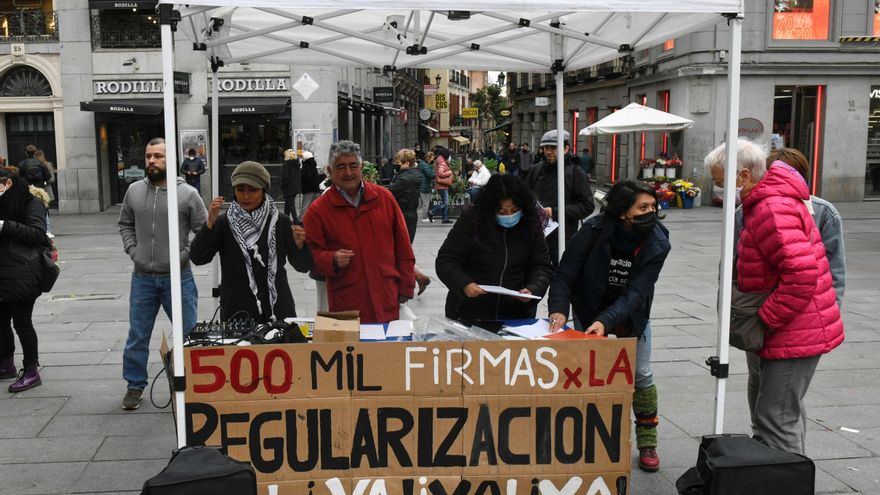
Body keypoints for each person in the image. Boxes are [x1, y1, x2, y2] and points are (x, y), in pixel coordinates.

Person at [704, 139, 844, 455]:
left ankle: (785, 478)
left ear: (742, 177)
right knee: (780, 416)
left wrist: (766, 318)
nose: (718, 189)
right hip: (795, 328)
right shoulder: (769, 201)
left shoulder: (770, 208)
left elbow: (802, 275)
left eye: (720, 182)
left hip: (793, 330)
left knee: (776, 420)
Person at [547, 179, 670, 473]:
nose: (650, 212)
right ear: (622, 210)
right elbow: (565, 274)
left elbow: (637, 292)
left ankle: (647, 440)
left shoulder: (658, 241)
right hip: (589, 307)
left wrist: (607, 321)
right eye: (642, 207)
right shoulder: (593, 230)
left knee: (640, 373)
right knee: (588, 375)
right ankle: (587, 440)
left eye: (653, 206)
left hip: (631, 314)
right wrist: (559, 311)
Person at [117, 137, 207, 410]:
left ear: (170, 160)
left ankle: (188, 382)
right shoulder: (133, 191)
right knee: (138, 334)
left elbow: (203, 232)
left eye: (158, 156)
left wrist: (183, 255)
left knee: (188, 333)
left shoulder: (187, 194)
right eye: (148, 156)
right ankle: (134, 385)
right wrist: (133, 251)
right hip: (142, 276)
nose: (152, 161)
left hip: (178, 277)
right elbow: (125, 224)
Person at [303, 140, 415, 323]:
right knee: (351, 350)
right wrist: (331, 259)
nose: (348, 173)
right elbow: (310, 256)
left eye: (353, 166)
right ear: (329, 171)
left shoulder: (384, 198)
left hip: (386, 294)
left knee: (387, 350)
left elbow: (404, 247)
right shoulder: (318, 210)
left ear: (361, 167)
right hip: (345, 302)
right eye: (340, 167)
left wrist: (406, 286)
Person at [190, 161, 312, 322]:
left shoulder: (280, 222)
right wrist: (209, 225)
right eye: (240, 190)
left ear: (264, 190)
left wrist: (300, 246)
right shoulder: (224, 223)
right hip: (237, 310)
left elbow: (303, 266)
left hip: (277, 309)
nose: (246, 196)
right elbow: (198, 257)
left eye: (253, 190)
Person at [436, 174, 553, 325]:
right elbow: (446, 260)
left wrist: (533, 289)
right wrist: (464, 284)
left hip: (516, 314)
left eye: (514, 210)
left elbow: (541, 265)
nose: (509, 215)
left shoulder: (530, 224)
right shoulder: (471, 221)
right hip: (469, 311)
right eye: (502, 211)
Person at [767, 147, 846, 306]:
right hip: (765, 302)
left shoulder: (824, 212)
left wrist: (832, 307)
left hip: (811, 305)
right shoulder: (749, 210)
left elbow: (835, 268)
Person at [0, 166, 51, 392]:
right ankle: (6, 364)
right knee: (1, 322)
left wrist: (4, 226)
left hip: (23, 273)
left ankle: (31, 370)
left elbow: (38, 234)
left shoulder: (31, 203)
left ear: (7, 183)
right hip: (3, 272)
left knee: (22, 323)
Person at [524, 129, 595, 264]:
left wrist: (555, 212)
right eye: (546, 148)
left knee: (559, 275)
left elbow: (587, 206)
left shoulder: (575, 172)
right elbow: (525, 195)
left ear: (565, 148)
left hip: (562, 238)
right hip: (536, 235)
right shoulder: (536, 169)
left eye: (553, 148)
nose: (549, 152)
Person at [387, 149, 432, 295]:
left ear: (407, 162)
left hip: (403, 216)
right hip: (408, 215)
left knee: (398, 252)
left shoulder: (405, 179)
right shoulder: (412, 175)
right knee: (400, 251)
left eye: (398, 162)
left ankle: (406, 285)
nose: (396, 165)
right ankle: (419, 277)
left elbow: (388, 194)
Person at [428, 147, 453, 224]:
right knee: (445, 203)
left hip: (442, 185)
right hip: (442, 185)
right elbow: (440, 173)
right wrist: (449, 172)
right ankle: (432, 211)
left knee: (444, 202)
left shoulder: (441, 161)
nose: (450, 157)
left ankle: (445, 218)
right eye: (449, 155)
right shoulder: (442, 163)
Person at [298, 150, 323, 222]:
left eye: (303, 157)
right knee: (315, 206)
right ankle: (316, 220)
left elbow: (303, 177)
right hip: (316, 189)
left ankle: (300, 221)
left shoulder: (305, 167)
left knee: (305, 206)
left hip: (308, 189)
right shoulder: (313, 165)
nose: (302, 158)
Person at [281, 149, 302, 221]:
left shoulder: (286, 164)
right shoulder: (297, 164)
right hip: (295, 187)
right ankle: (285, 218)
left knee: (291, 204)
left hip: (289, 187)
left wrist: (282, 185)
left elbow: (285, 177)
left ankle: (295, 220)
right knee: (288, 203)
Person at [416, 150, 435, 223]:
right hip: (424, 187)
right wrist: (437, 174)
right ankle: (425, 218)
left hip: (422, 186)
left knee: (421, 204)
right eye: (431, 159)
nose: (432, 160)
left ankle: (427, 217)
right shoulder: (424, 165)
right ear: (428, 158)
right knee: (425, 203)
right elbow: (430, 175)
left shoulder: (422, 164)